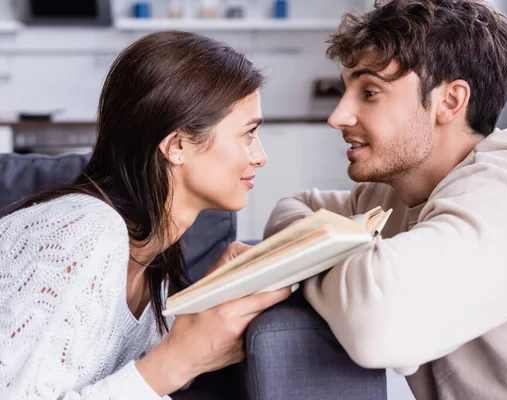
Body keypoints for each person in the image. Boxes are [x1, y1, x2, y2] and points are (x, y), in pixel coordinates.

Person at [264, 1, 507, 399]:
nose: (337, 116)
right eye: (346, 90)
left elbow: (376, 324)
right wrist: (338, 254)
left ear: (451, 101)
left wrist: (312, 255)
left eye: (369, 92)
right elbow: (293, 207)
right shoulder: (392, 193)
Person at [0, 31, 294, 399]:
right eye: (248, 134)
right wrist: (180, 358)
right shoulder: (84, 232)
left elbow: (117, 373)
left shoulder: (154, 255)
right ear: (177, 146)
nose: (260, 156)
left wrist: (205, 300)